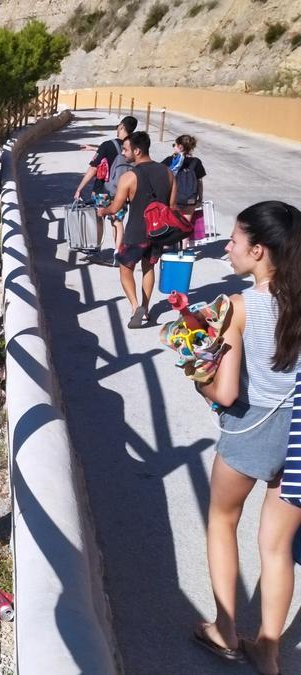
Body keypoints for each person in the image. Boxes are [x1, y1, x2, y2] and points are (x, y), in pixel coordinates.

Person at [191, 201, 301, 674]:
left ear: (258, 251)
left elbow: (228, 390)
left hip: (253, 429)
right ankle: (269, 649)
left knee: (222, 519)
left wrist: (198, 377)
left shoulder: (239, 307)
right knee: (277, 547)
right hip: (298, 436)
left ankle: (225, 629)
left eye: (235, 240)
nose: (229, 246)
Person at [98, 131, 175, 328]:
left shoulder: (129, 176)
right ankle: (146, 308)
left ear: (137, 151)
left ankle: (134, 307)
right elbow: (172, 207)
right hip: (158, 232)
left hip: (135, 232)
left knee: (126, 270)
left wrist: (103, 211)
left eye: (125, 149)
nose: (123, 153)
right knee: (148, 268)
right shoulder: (168, 173)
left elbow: (116, 208)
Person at [74, 115, 139, 258]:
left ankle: (96, 248)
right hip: (123, 191)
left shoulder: (108, 145)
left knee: (99, 218)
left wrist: (80, 188)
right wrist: (93, 148)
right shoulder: (133, 148)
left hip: (102, 190)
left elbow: (94, 168)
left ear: (122, 126)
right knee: (118, 221)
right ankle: (118, 251)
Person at [161, 134, 207, 248]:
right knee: (185, 226)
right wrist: (200, 198)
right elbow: (199, 182)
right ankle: (184, 250)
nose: (174, 147)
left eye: (174, 145)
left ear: (180, 146)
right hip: (189, 199)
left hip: (173, 198)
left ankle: (169, 248)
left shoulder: (170, 160)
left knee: (171, 223)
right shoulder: (196, 162)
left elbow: (161, 176)